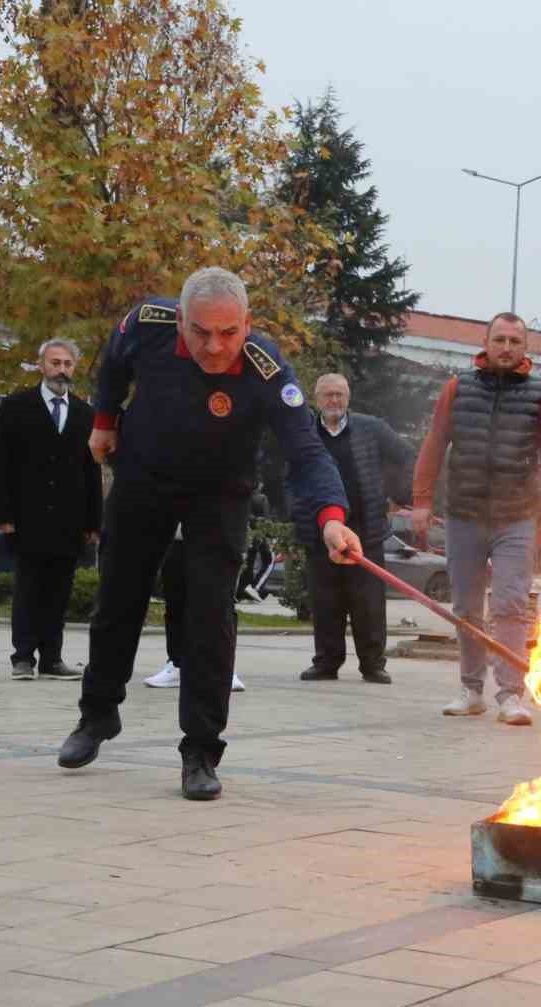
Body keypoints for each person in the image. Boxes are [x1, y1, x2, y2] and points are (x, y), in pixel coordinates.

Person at [60, 267, 359, 800]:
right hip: (143, 476)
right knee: (118, 597)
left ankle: (200, 749)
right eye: (200, 332)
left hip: (220, 493)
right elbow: (112, 360)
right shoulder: (146, 324)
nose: (214, 347)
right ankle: (98, 714)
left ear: (247, 323)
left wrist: (332, 518)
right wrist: (104, 419)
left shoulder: (268, 371)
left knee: (210, 615)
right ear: (180, 320)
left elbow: (307, 452)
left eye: (228, 332)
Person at [412, 312, 541, 726]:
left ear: (525, 348)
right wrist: (422, 501)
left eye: (515, 341)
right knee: (464, 605)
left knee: (511, 605)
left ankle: (511, 694)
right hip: (463, 514)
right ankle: (471, 690)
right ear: (486, 343)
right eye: (500, 339)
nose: (506, 347)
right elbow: (434, 443)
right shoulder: (457, 389)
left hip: (517, 518)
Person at [0, 338, 102, 680]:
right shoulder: (16, 407)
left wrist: (93, 522)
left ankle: (52, 658)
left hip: (69, 521)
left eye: (68, 364)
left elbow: (91, 470)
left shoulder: (85, 413)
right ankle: (22, 657)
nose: (61, 370)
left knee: (58, 592)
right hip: (27, 518)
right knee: (28, 589)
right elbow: (2, 466)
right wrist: (4, 516)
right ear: (41, 365)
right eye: (55, 363)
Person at [298, 373, 415, 685]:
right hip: (320, 531)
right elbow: (293, 475)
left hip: (367, 530)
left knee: (369, 603)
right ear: (316, 398)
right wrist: (299, 513)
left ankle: (373, 664)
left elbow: (406, 456)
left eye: (339, 395)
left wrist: (394, 493)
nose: (334, 401)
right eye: (328, 395)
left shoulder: (371, 428)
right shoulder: (305, 430)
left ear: (348, 398)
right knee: (325, 601)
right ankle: (326, 663)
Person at [141, 527, 245, 693]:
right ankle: (177, 665)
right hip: (175, 533)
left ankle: (224, 669)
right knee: (175, 602)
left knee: (220, 603)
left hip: (218, 532)